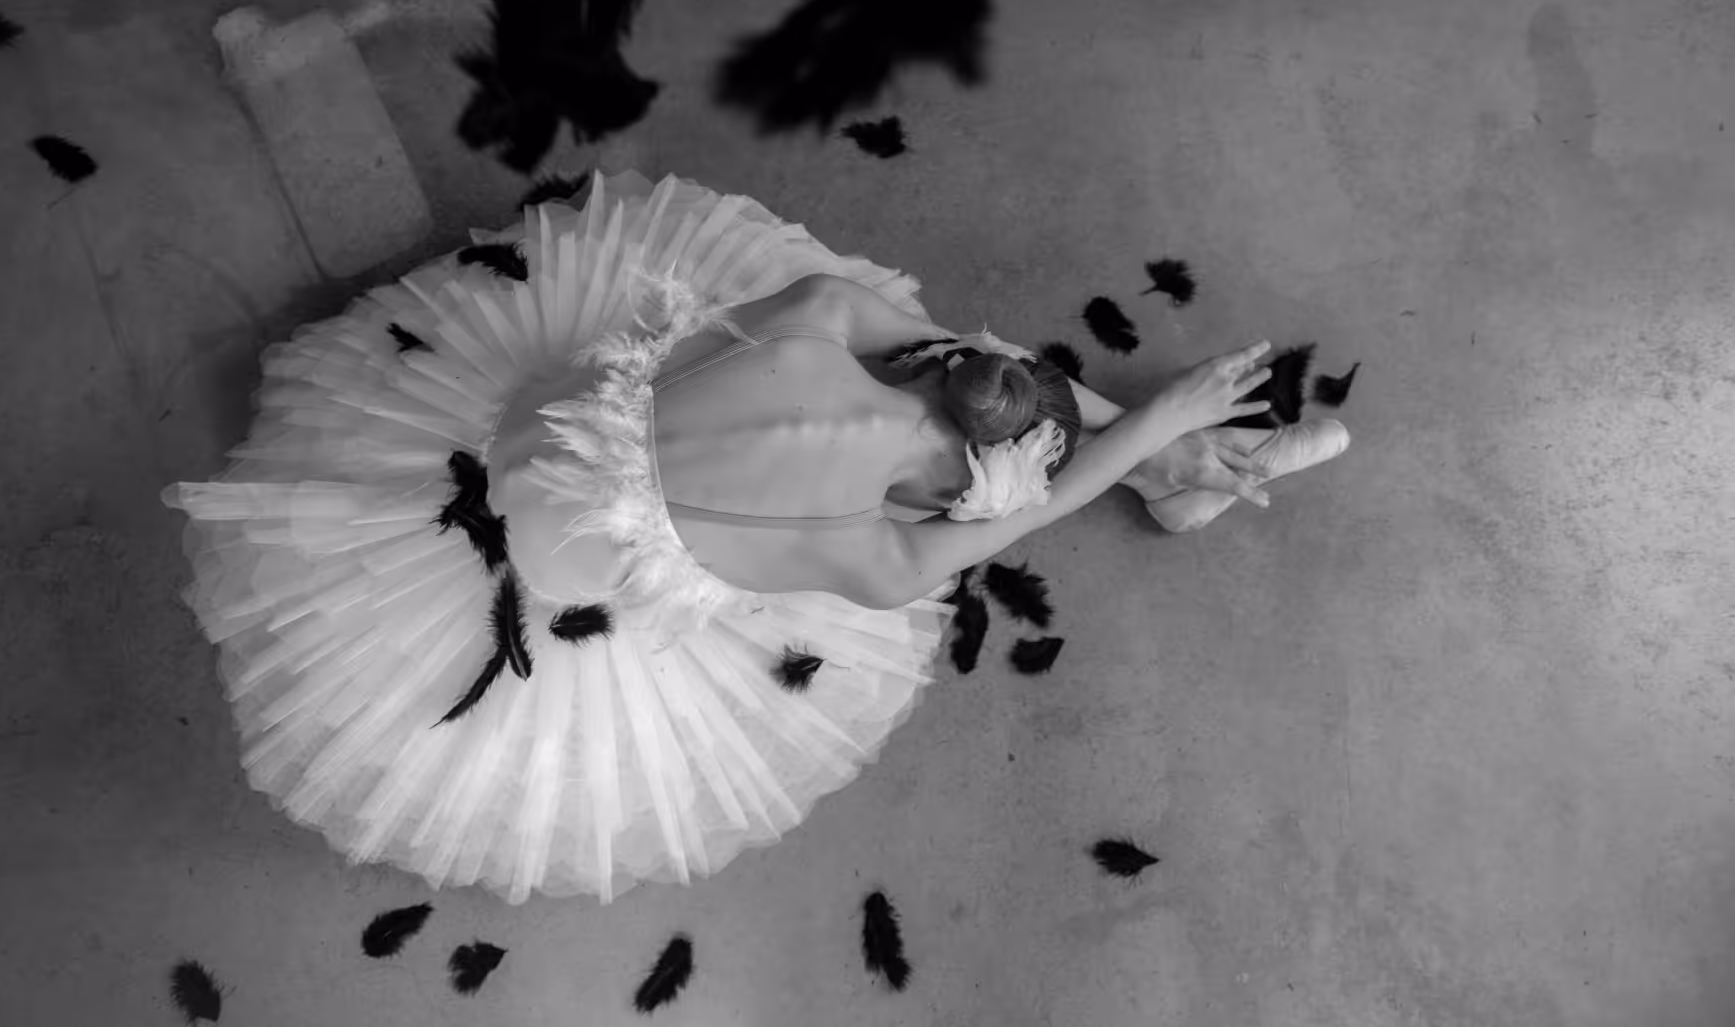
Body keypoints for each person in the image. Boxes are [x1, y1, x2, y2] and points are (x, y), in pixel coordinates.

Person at [160, 168, 1349, 905]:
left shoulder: (822, 318)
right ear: (940, 496)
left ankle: (1183, 470)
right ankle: (1181, 469)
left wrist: (1148, 428)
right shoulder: (857, 552)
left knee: (982, 384)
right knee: (1015, 412)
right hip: (526, 563)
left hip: (539, 424)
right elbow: (1038, 494)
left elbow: (974, 384)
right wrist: (1149, 421)